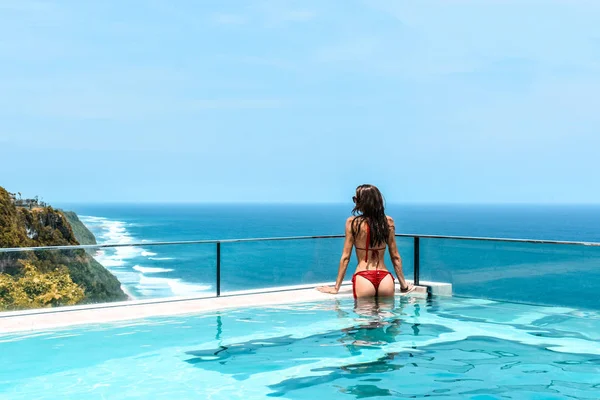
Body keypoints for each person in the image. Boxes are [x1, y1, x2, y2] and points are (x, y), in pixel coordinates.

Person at [317, 184, 414, 298]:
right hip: (385, 279)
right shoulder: (388, 222)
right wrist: (404, 286)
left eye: (356, 199)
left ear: (362, 202)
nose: (355, 202)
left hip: (363, 277)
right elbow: (395, 257)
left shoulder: (352, 223)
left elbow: (345, 258)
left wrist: (336, 288)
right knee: (388, 315)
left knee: (363, 315)